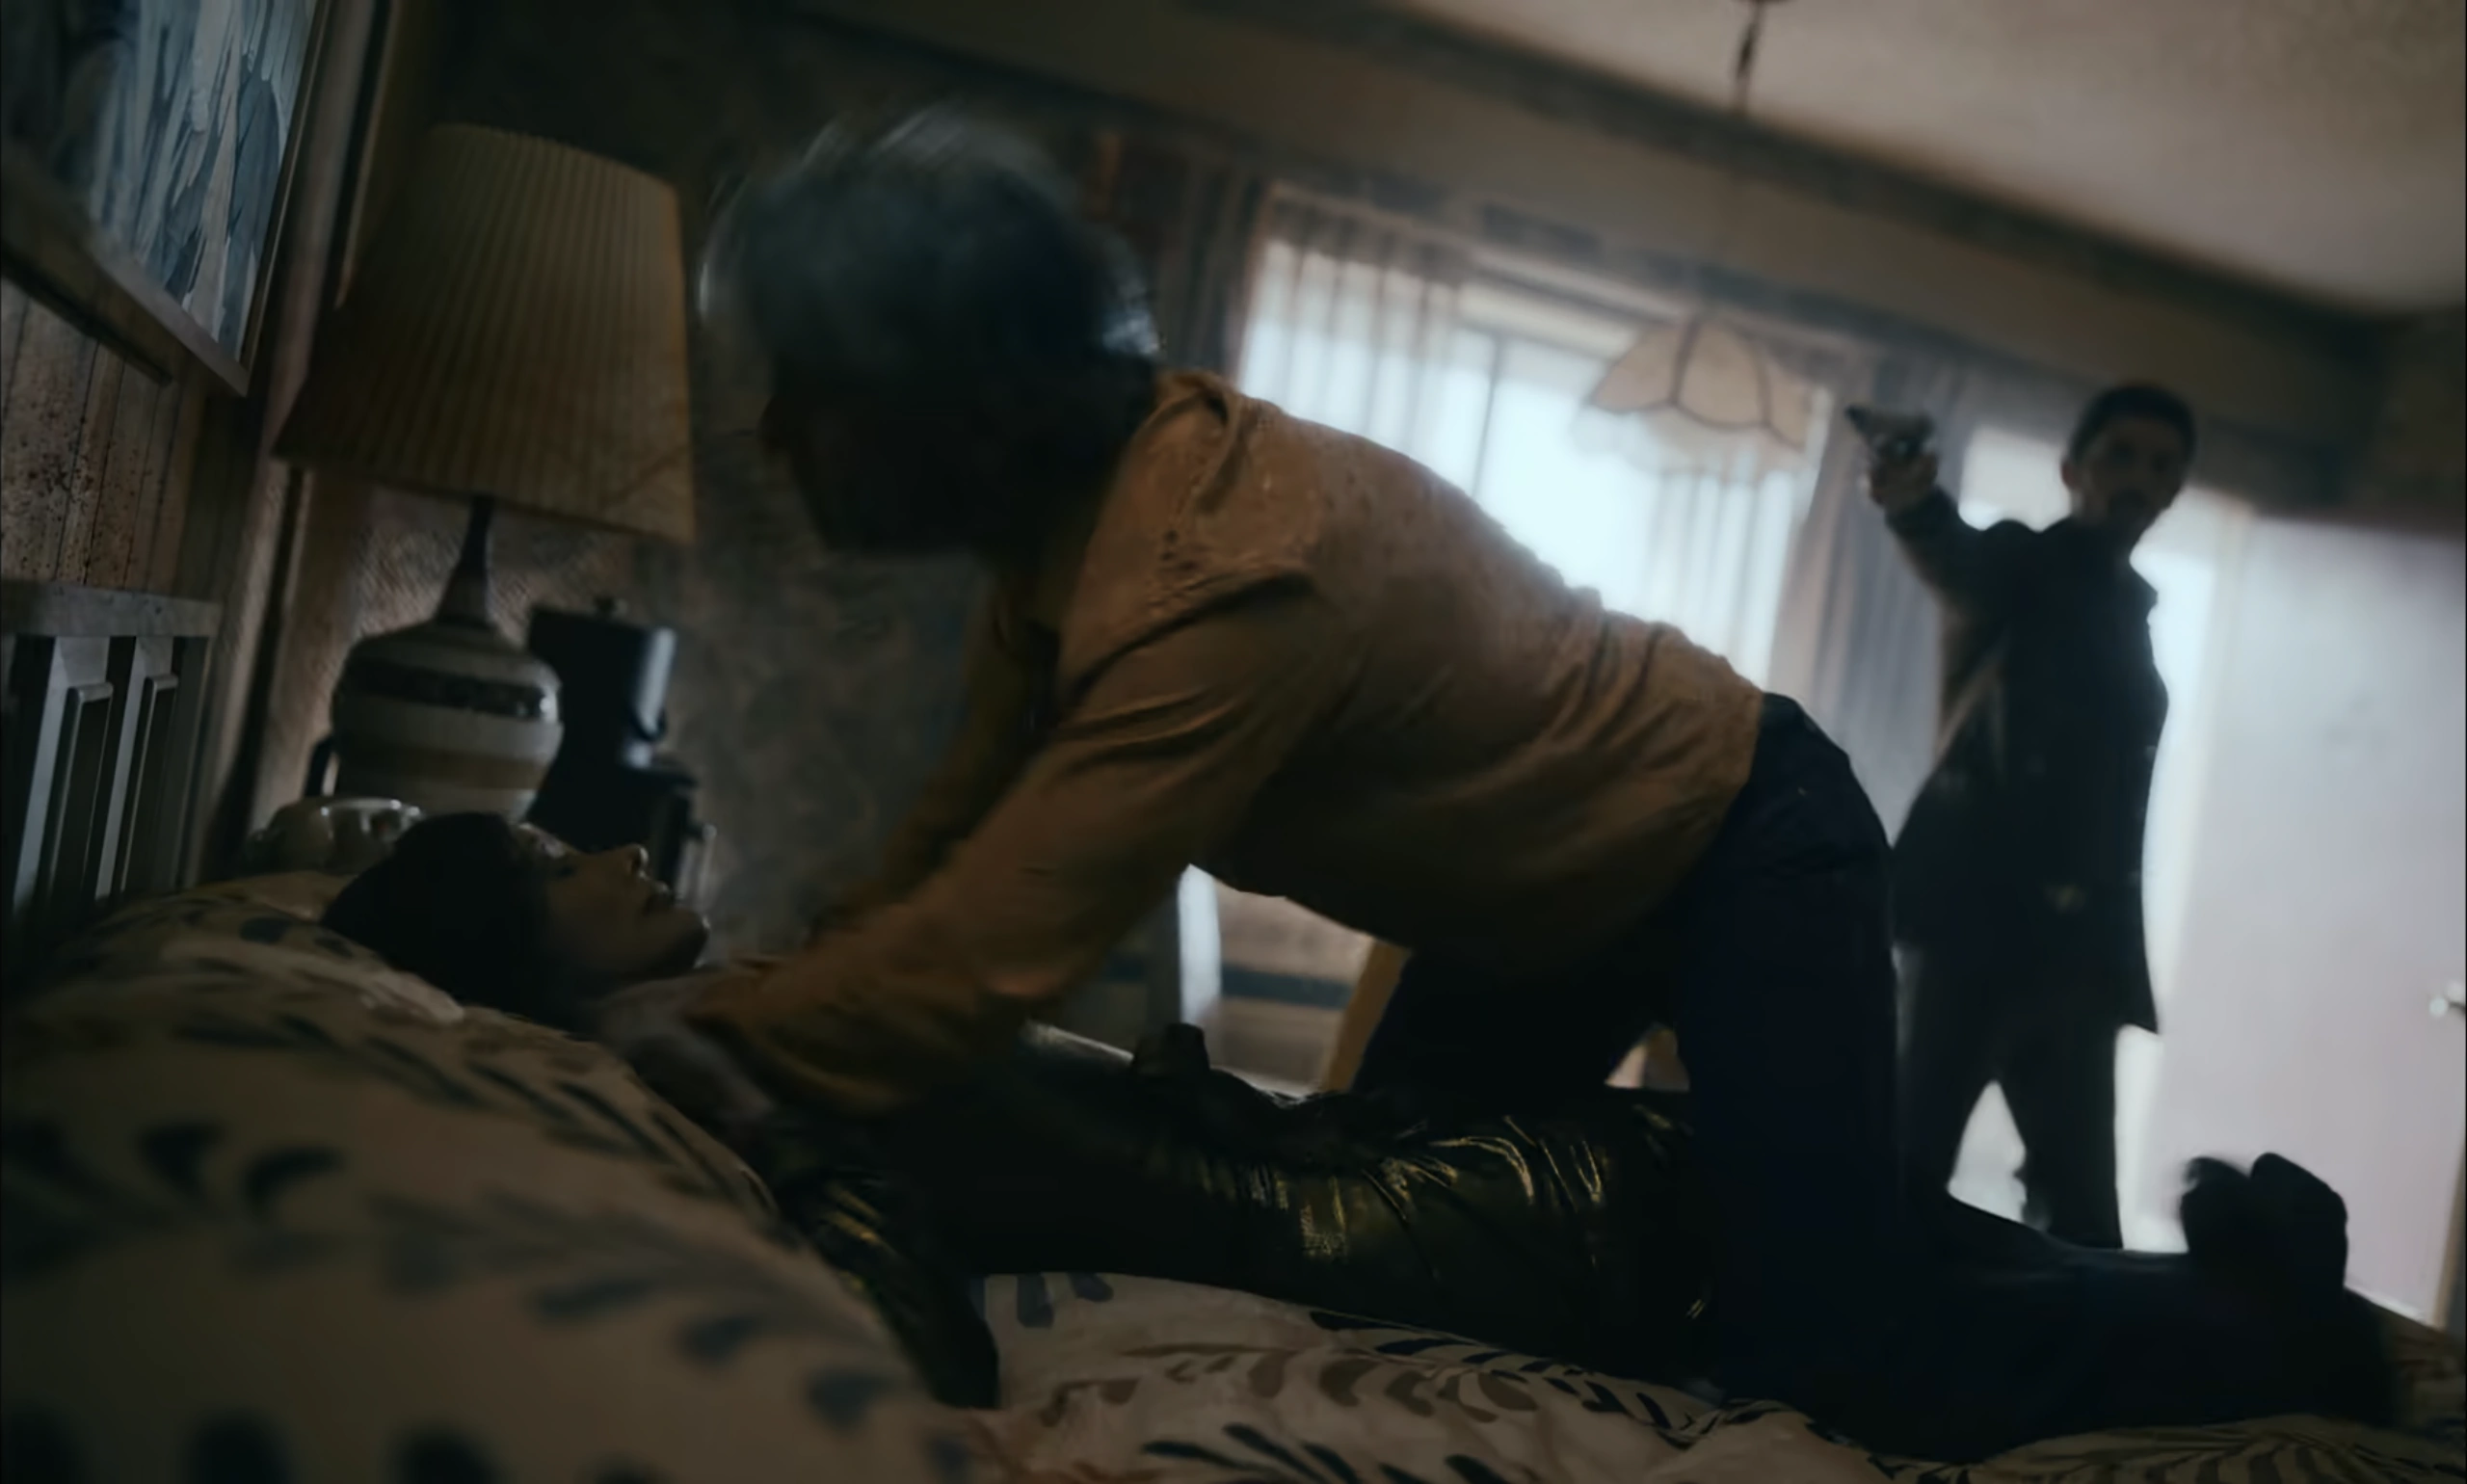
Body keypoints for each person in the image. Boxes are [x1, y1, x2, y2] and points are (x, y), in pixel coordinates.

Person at [660, 112, 2392, 1459]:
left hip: (1743, 833)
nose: (779, 437)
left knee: (1835, 1353)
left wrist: (676, 1028)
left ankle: (2283, 1332)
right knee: (1425, 1252)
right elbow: (948, 858)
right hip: (1549, 901)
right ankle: (2119, 1274)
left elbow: (988, 954)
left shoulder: (1214, 573)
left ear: (945, 389)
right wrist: (769, 989)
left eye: (814, 391)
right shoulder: (1070, 549)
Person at [1873, 386, 2189, 1250]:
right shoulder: (2022, 566)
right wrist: (1911, 494)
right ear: (2072, 470)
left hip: (2077, 953)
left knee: (2084, 1220)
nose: (2138, 478)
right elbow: (1952, 554)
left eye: (2162, 465)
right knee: (1899, 1174)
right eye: (2120, 455)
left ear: (2175, 490)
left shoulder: (2132, 609)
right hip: (1971, 929)